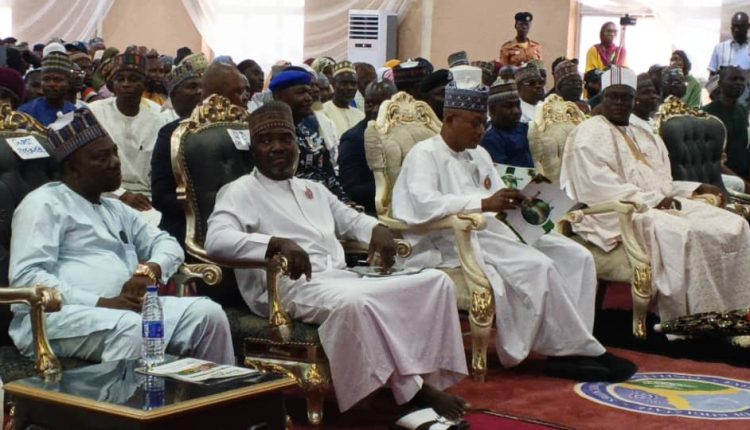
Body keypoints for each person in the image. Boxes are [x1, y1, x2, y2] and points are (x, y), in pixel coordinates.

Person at [204, 101, 469, 419]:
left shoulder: (312, 189)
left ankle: (425, 381)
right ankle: (408, 394)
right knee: (356, 304)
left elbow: (351, 220)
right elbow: (216, 241)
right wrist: (274, 244)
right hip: (287, 287)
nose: (277, 148)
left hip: (340, 277)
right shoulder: (239, 191)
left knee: (435, 282)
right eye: (266, 141)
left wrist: (377, 229)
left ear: (297, 145)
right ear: (253, 151)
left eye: (285, 139)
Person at [391, 78, 636, 381]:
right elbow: (422, 204)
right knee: (539, 266)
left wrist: (518, 199)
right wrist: (483, 203)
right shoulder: (425, 154)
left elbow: (495, 194)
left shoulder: (478, 154)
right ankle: (576, 350)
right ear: (451, 118)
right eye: (475, 123)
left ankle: (573, 346)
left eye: (483, 123)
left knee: (577, 257)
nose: (481, 131)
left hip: (495, 229)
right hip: (452, 238)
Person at [9, 108, 234, 364]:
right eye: (102, 157)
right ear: (73, 169)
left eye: (114, 152)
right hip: (56, 317)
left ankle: (214, 391)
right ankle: (138, 391)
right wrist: (100, 302)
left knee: (207, 314)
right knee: (133, 327)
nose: (115, 162)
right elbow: (27, 276)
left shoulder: (115, 207)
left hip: (125, 310)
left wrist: (151, 270)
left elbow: (167, 243)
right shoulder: (44, 203)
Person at [561, 66, 750, 325]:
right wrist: (652, 201)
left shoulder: (643, 133)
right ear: (602, 97)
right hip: (616, 214)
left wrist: (694, 188)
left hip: (660, 205)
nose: (619, 103)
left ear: (634, 100)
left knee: (733, 224)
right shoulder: (588, 133)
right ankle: (690, 319)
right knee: (685, 234)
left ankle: (735, 311)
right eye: (612, 96)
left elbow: (662, 184)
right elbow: (595, 186)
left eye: (626, 97)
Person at [88, 53, 171, 212]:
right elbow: (88, 165)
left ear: (144, 84)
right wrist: (121, 195)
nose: (126, 84)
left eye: (133, 79)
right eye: (120, 79)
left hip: (146, 197)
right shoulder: (94, 112)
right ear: (113, 84)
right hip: (103, 194)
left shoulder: (158, 118)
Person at [271, 68, 351, 203]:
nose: (308, 98)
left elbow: (328, 174)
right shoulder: (269, 134)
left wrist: (344, 203)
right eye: (300, 92)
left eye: (309, 92)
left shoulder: (310, 127)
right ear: (279, 96)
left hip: (324, 199)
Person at [150, 62, 203, 247]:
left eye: (201, 87)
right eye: (192, 87)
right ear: (173, 96)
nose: (199, 92)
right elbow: (160, 196)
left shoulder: (217, 128)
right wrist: (199, 204)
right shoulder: (170, 133)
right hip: (184, 223)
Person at [339, 80, 397, 214]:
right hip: (372, 212)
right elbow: (350, 189)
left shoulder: (403, 131)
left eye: (382, 105)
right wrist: (393, 186)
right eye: (370, 104)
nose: (375, 110)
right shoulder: (353, 139)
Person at [703, 66, 750, 182]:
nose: (738, 83)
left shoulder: (742, 111)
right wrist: (743, 183)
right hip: (721, 177)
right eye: (733, 79)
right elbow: (709, 158)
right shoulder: (707, 113)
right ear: (720, 83)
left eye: (741, 79)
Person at [481, 79, 534, 167]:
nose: (516, 111)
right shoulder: (490, 138)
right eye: (509, 106)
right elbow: (503, 173)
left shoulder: (524, 128)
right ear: (492, 110)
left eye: (518, 105)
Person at [17, 52, 75, 125]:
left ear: (68, 82)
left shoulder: (75, 112)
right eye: (46, 79)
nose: (51, 84)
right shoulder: (26, 113)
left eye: (57, 80)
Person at [322, 61, 365, 138]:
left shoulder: (361, 115)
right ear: (334, 84)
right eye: (344, 83)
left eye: (353, 84)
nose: (350, 88)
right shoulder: (323, 112)